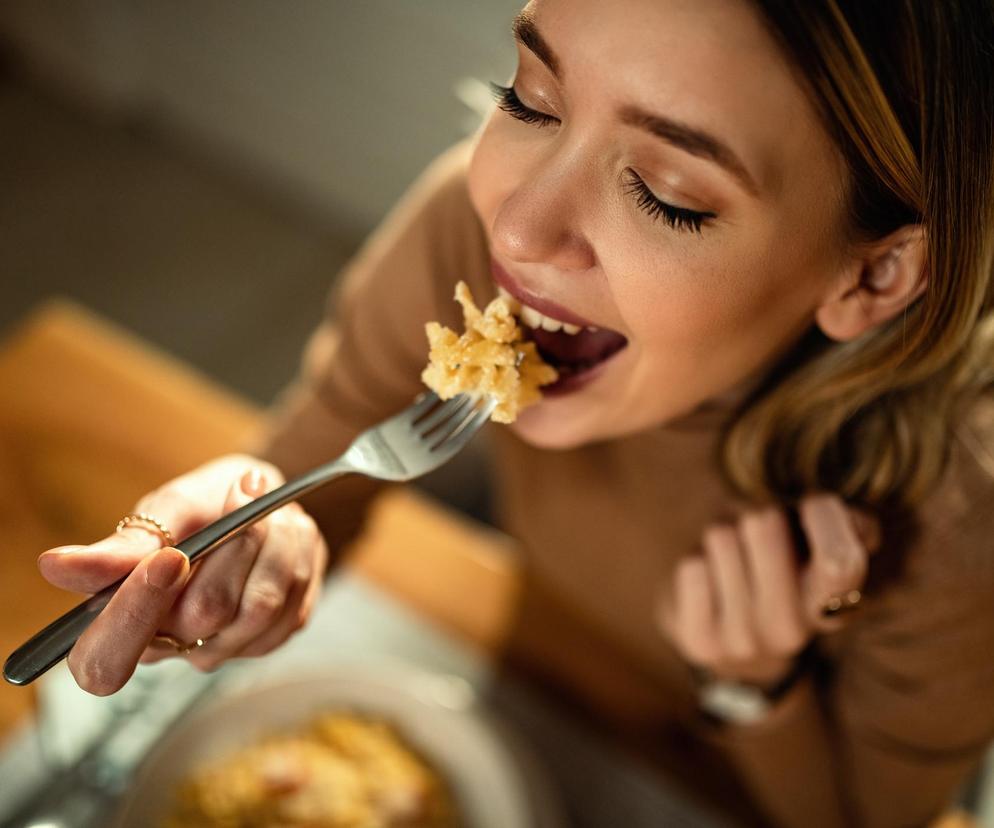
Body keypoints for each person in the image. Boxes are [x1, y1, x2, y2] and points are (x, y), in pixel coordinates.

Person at [35, 1, 994, 826]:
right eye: (530, 99)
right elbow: (319, 464)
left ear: (874, 274)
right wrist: (247, 522)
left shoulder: (961, 505)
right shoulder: (467, 221)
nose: (520, 227)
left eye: (667, 198)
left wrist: (762, 692)